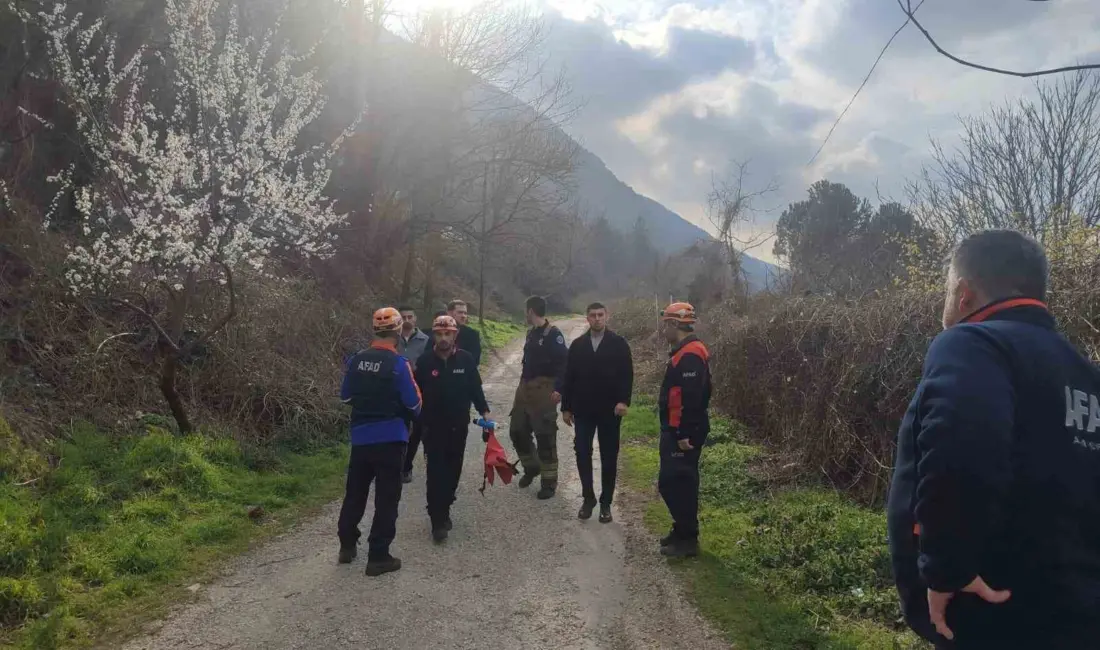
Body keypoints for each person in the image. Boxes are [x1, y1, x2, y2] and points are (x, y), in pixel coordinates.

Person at [887, 229, 1100, 649]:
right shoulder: (1084, 372)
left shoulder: (972, 343)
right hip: (1076, 615)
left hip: (993, 611)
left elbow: (963, 445)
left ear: (963, 294)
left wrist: (948, 568)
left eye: (947, 291)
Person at [337, 307, 422, 576]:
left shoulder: (355, 360)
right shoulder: (398, 364)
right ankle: (378, 556)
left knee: (355, 494)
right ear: (397, 331)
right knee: (387, 499)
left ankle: (347, 547)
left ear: (374, 330)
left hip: (361, 438)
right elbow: (415, 403)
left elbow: (346, 398)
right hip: (391, 438)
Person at [413, 315, 491, 542]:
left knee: (453, 470)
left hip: (459, 426)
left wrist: (485, 412)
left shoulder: (466, 360)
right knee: (435, 471)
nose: (444, 338)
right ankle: (437, 520)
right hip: (432, 427)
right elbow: (415, 394)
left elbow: (476, 390)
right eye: (439, 333)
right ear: (434, 335)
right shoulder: (425, 362)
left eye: (448, 333)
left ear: (455, 335)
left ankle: (445, 506)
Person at [561, 302, 633, 523]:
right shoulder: (578, 345)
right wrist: (566, 407)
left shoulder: (619, 344)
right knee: (582, 452)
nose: (597, 319)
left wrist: (623, 401)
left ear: (607, 316)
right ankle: (588, 498)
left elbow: (627, 374)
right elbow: (569, 377)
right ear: (587, 318)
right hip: (583, 409)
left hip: (610, 409)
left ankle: (606, 502)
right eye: (593, 315)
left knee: (609, 456)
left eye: (600, 315)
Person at [657, 301, 711, 558]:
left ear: (674, 324)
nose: (663, 330)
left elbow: (690, 400)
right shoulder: (685, 351)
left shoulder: (690, 354)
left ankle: (688, 539)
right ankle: (681, 531)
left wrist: (683, 434)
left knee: (676, 483)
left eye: (665, 324)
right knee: (676, 482)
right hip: (676, 430)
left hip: (683, 433)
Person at [510, 295, 568, 499]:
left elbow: (564, 364)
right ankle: (531, 467)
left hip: (545, 389)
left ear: (530, 311)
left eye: (526, 311)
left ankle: (549, 482)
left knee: (545, 436)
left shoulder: (554, 335)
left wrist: (559, 389)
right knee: (517, 430)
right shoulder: (531, 333)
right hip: (525, 388)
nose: (525, 314)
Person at [397, 306, 431, 484]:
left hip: (419, 391)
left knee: (416, 432)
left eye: (410, 316)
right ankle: (395, 465)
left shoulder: (426, 340)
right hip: (396, 392)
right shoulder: (393, 339)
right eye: (403, 317)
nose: (407, 319)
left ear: (415, 319)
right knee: (398, 429)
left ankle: (407, 467)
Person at [448, 299, 482, 366]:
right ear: (449, 313)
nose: (463, 316)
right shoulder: (438, 333)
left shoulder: (472, 335)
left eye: (465, 313)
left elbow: (475, 361)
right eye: (460, 312)